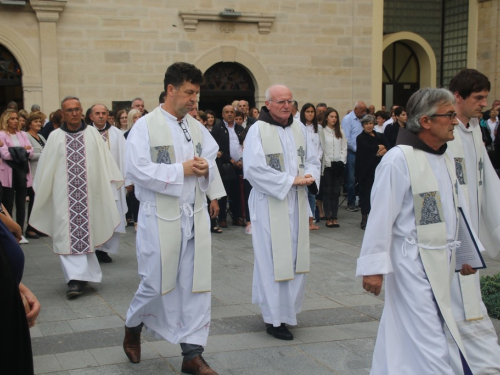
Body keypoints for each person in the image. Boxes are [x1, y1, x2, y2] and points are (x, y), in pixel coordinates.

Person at [358, 88, 476, 374]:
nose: (455, 121)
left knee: (406, 332)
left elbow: (454, 210)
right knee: (430, 340)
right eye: (449, 115)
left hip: (441, 260)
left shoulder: (444, 156)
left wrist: (464, 253)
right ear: (425, 122)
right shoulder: (398, 159)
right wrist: (373, 268)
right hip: (411, 263)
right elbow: (380, 217)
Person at [123, 62, 220, 375]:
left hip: (194, 215)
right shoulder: (145, 126)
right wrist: (181, 170)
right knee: (155, 283)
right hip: (159, 217)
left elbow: (210, 154)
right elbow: (137, 169)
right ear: (171, 90)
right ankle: (133, 325)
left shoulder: (194, 126)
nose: (194, 100)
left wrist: (206, 170)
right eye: (189, 93)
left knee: (195, 285)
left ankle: (192, 354)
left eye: (197, 94)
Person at [243, 84, 320, 341]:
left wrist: (309, 176)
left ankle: (288, 312)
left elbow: (312, 158)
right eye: (280, 102)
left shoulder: (299, 128)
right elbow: (253, 169)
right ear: (267, 105)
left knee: (296, 257)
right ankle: (273, 319)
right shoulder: (258, 130)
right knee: (273, 259)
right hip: (270, 202)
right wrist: (289, 181)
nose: (286, 105)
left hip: (296, 202)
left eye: (289, 101)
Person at [29, 96, 123, 298]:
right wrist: (45, 192)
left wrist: (109, 187)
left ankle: (84, 275)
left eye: (77, 109)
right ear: (62, 114)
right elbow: (45, 169)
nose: (74, 113)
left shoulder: (93, 135)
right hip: (64, 198)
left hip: (90, 196)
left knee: (88, 234)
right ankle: (74, 279)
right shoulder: (54, 137)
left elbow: (104, 164)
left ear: (81, 111)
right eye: (69, 110)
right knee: (66, 236)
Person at [447, 68, 500, 374]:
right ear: (458, 97)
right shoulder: (444, 133)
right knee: (453, 307)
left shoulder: (476, 130)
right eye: (478, 97)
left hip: (472, 236)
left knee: (469, 303)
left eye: (485, 97)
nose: (484, 103)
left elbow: (488, 184)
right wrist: (465, 248)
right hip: (452, 243)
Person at [89, 104, 128, 263]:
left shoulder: (117, 134)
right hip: (93, 183)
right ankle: (94, 247)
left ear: (108, 116)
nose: (100, 116)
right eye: (97, 113)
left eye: (103, 113)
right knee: (95, 214)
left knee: (113, 213)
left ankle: (105, 249)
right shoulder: (86, 133)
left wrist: (128, 180)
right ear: (91, 116)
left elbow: (125, 157)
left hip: (113, 183)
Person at [0, 109, 33, 245]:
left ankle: (21, 231)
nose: (15, 121)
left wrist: (15, 150)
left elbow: (30, 152)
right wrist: (22, 150)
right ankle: (10, 231)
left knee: (21, 203)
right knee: (8, 202)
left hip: (22, 170)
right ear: (6, 120)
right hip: (8, 171)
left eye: (16, 118)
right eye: (12, 118)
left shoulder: (23, 134)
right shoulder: (2, 135)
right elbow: (5, 155)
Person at [211, 105, 244, 228]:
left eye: (232, 112)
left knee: (236, 192)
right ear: (223, 114)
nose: (229, 114)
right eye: (227, 112)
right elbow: (217, 148)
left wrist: (241, 160)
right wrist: (230, 160)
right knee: (224, 192)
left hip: (239, 165)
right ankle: (222, 218)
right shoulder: (217, 128)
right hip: (225, 165)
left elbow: (244, 145)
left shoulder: (240, 128)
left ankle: (236, 217)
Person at [355, 114, 386, 229]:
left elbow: (387, 145)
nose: (369, 126)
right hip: (366, 170)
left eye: (371, 123)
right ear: (363, 125)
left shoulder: (379, 135)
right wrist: (378, 150)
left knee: (378, 194)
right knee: (366, 194)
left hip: (379, 168)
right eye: (367, 123)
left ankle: (377, 219)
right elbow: (368, 150)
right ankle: (364, 219)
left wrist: (379, 149)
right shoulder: (360, 137)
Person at [318, 108, 346, 228]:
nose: (334, 119)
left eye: (335, 117)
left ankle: (335, 216)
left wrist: (342, 161)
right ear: (326, 118)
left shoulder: (340, 131)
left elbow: (344, 147)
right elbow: (322, 148)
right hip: (327, 166)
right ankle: (328, 216)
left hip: (338, 164)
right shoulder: (322, 131)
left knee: (336, 192)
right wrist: (329, 162)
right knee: (327, 191)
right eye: (331, 116)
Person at [25, 112, 48, 239]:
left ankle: (38, 227)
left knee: (41, 202)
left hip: (43, 173)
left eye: (40, 121)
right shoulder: (26, 136)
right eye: (35, 122)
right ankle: (30, 228)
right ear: (29, 123)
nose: (39, 124)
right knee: (33, 202)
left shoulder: (41, 137)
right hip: (32, 173)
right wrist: (44, 154)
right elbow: (29, 154)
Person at [341, 101, 367, 212]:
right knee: (351, 178)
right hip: (352, 151)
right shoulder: (348, 119)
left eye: (365, 111)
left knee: (363, 177)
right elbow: (347, 138)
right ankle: (351, 202)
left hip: (363, 152)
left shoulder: (364, 119)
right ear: (355, 109)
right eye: (362, 111)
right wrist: (358, 149)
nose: (363, 113)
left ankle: (362, 201)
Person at [300, 103, 322, 230]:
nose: (310, 114)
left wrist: (317, 157)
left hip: (314, 163)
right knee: (304, 192)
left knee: (312, 192)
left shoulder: (317, 128)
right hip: (303, 162)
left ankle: (311, 221)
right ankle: (304, 220)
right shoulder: (299, 127)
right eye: (307, 111)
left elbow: (320, 146)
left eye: (312, 112)